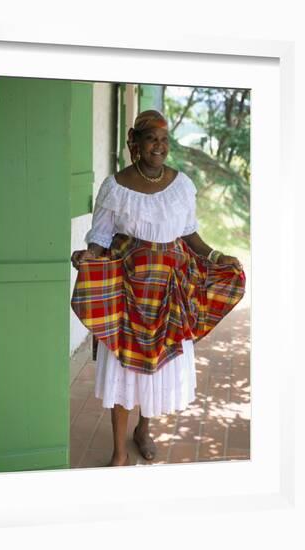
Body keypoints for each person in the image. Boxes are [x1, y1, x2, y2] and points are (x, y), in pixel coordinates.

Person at [70, 109, 246, 467]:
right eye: (152, 138)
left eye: (165, 140)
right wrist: (88, 256)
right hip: (127, 291)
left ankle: (143, 430)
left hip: (170, 289)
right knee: (123, 366)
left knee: (158, 365)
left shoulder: (181, 185)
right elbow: (101, 237)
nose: (160, 146)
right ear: (134, 141)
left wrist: (216, 255)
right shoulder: (115, 187)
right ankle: (119, 451)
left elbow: (189, 234)